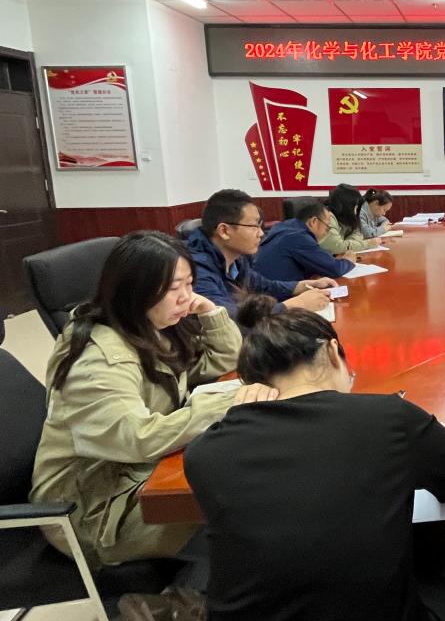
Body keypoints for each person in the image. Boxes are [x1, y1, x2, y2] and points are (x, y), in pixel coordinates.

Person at [184, 295, 445, 621]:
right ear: (333, 352)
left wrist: (237, 416)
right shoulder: (388, 417)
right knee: (439, 591)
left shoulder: (205, 453)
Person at [29, 231, 276, 569]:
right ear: (134, 289)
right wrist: (225, 404)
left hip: (134, 472)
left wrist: (209, 311)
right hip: (93, 510)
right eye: (174, 288)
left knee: (253, 474)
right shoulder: (98, 360)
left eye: (190, 284)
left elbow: (224, 363)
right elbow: (138, 438)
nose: (186, 297)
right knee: (247, 501)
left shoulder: (148, 326)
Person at [188, 189, 333, 319]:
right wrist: (294, 305)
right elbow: (227, 321)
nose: (261, 233)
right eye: (254, 226)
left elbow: (263, 286)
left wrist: (303, 285)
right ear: (224, 231)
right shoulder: (196, 271)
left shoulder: (237, 259)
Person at [254, 197, 355, 283]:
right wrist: (348, 260)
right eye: (327, 227)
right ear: (314, 221)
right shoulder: (298, 237)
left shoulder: (285, 226)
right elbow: (335, 269)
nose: (327, 231)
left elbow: (317, 258)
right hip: (276, 295)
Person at [321, 183, 383, 255]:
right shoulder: (328, 217)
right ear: (346, 205)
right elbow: (337, 247)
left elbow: (358, 233)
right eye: (355, 206)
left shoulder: (345, 217)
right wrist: (368, 244)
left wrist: (350, 244)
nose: (356, 211)